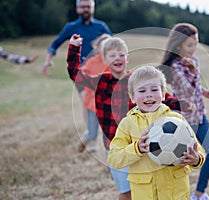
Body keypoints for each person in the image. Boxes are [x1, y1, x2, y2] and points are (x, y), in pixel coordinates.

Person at [67, 35, 195, 200]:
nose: (117, 58)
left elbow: (161, 96)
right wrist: (74, 49)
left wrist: (182, 104)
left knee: (143, 189)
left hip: (141, 144)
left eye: (121, 54)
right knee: (126, 193)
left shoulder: (135, 81)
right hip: (115, 145)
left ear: (127, 58)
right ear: (104, 59)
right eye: (112, 55)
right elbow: (75, 74)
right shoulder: (101, 82)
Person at [107, 65, 206, 200]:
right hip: (145, 193)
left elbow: (199, 152)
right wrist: (136, 149)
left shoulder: (177, 120)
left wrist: (196, 160)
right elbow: (114, 159)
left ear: (164, 93)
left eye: (154, 89)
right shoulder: (127, 124)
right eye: (142, 90)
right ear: (132, 97)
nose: (149, 94)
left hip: (175, 192)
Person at [159, 23, 209, 200]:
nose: (194, 49)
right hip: (183, 121)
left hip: (200, 116)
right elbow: (187, 90)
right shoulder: (174, 66)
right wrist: (193, 71)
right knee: (178, 162)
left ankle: (199, 194)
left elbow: (196, 87)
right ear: (179, 45)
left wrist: (205, 93)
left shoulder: (195, 61)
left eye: (196, 44)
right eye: (190, 45)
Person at [42, 0, 112, 147]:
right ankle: (91, 137)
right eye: (82, 6)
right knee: (87, 100)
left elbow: (113, 44)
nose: (85, 9)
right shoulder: (71, 27)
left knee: (100, 103)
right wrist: (48, 60)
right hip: (80, 74)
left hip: (100, 74)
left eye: (88, 6)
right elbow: (54, 44)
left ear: (93, 8)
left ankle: (95, 132)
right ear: (77, 8)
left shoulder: (101, 27)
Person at [78, 33, 111, 153]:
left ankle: (111, 162)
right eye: (103, 46)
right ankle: (85, 140)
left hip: (108, 105)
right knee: (92, 133)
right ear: (98, 48)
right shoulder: (92, 62)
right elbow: (80, 75)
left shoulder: (113, 62)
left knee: (110, 134)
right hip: (93, 104)